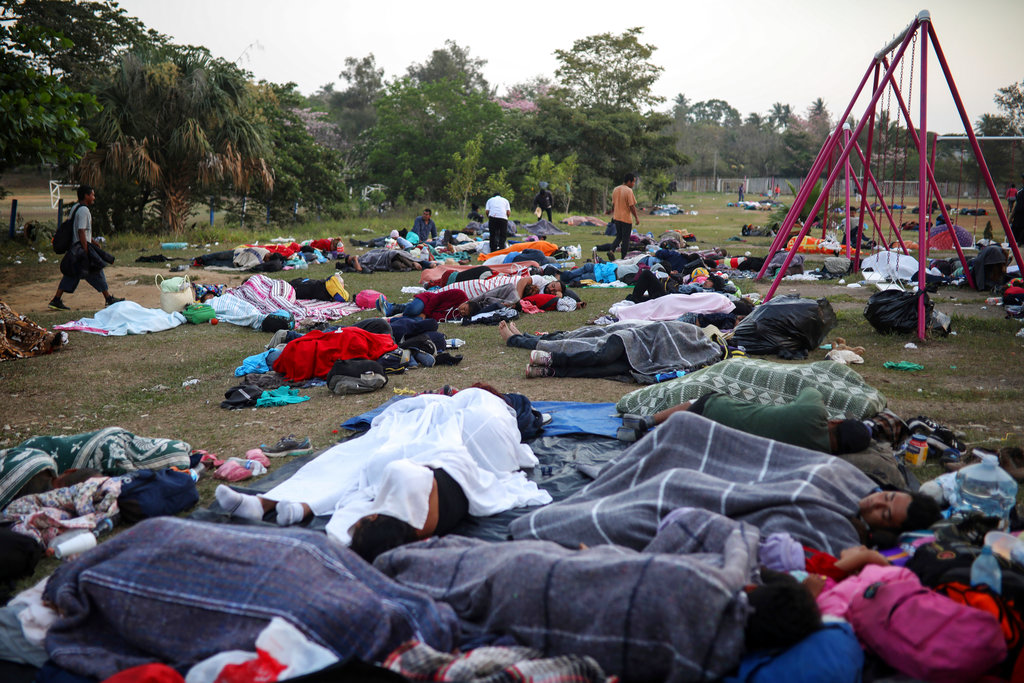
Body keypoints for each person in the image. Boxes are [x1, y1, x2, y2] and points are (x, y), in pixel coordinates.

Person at [646, 388, 874, 455]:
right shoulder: (818, 456)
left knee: (700, 400)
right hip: (724, 445)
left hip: (716, 412)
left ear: (836, 423)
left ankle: (649, 422)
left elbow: (810, 390)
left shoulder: (812, 414)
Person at [49, 185, 124, 310]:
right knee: (96, 269)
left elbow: (79, 229)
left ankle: (56, 299)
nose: (94, 197)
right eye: (92, 195)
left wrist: (92, 241)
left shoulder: (75, 208)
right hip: (80, 249)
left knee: (73, 274)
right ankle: (108, 299)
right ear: (86, 196)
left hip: (75, 248)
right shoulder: (84, 211)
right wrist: (86, 250)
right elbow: (81, 231)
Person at [608, 173, 640, 261]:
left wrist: (613, 214)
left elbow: (613, 204)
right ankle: (624, 257)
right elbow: (631, 206)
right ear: (629, 181)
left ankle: (611, 250)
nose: (633, 184)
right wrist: (636, 217)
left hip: (617, 217)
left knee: (619, 237)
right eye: (633, 182)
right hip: (626, 218)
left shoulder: (616, 189)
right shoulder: (628, 191)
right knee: (626, 239)